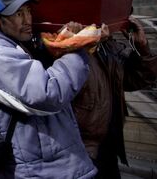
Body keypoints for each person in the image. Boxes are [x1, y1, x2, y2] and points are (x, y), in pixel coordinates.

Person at [0, 0, 96, 178]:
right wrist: (77, 49)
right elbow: (48, 93)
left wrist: (57, 45)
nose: (28, 20)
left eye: (28, 11)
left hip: (47, 163)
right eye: (19, 14)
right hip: (37, 169)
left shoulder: (9, 38)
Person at [63, 18, 157, 178]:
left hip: (110, 147)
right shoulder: (65, 45)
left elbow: (136, 79)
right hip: (83, 151)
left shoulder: (110, 46)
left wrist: (141, 47)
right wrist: (80, 44)